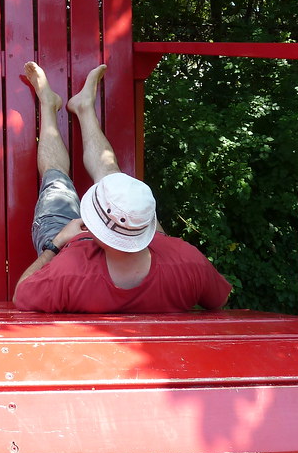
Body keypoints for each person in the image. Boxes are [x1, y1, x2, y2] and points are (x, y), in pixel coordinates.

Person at [13, 62, 231, 313]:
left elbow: (22, 294)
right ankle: (84, 107)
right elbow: (219, 300)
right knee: (114, 181)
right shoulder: (188, 262)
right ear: (147, 226)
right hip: (147, 251)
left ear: (95, 230)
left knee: (56, 177)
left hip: (67, 242)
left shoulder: (68, 273)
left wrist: (59, 241)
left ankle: (49, 105)